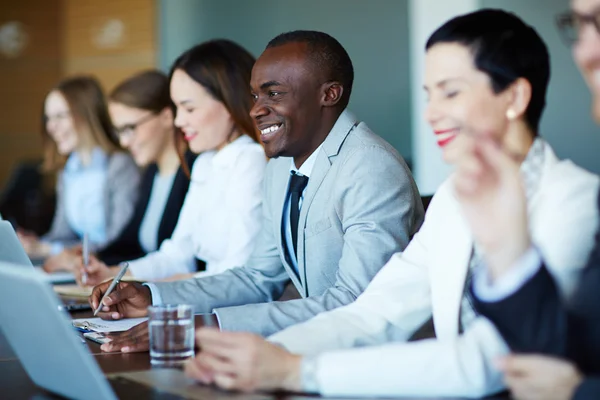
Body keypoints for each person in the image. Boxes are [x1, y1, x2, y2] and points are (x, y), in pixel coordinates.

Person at [183, 11, 600, 398]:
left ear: (513, 98)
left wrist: (298, 370)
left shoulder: (575, 199)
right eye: (429, 95)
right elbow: (375, 312)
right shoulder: (457, 195)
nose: (433, 113)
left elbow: (492, 361)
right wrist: (250, 354)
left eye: (450, 93)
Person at [88, 30, 423, 353]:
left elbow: (355, 301)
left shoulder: (369, 166)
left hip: (373, 363)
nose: (256, 109)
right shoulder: (281, 166)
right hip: (317, 348)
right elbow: (257, 277)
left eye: (274, 94)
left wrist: (205, 327)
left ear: (329, 94)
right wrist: (154, 298)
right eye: (255, 96)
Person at [457, 1, 600, 399]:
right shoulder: (473, 195)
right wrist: (507, 253)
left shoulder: (577, 195)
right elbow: (564, 352)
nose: (586, 52)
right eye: (582, 25)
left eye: (451, 91)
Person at [78, 40, 266, 285]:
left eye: (188, 109)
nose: (178, 121)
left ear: (228, 104)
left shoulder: (251, 160)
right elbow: (177, 255)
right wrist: (115, 274)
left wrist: (160, 288)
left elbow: (239, 273)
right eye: (177, 109)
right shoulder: (205, 163)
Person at [19, 76, 140, 272]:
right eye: (49, 118)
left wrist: (47, 248)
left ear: (85, 114)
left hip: (108, 271)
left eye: (60, 116)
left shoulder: (120, 166)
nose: (51, 127)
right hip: (78, 270)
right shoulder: (68, 170)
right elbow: (61, 234)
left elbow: (118, 242)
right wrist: (34, 245)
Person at [93, 70, 196, 267]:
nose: (124, 142)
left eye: (130, 128)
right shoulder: (152, 172)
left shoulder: (195, 171)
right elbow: (131, 244)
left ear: (166, 116)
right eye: (119, 131)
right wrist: (92, 260)